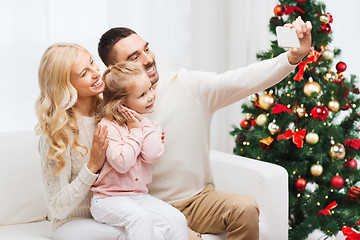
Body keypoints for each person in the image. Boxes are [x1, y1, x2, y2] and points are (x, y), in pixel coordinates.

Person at [97, 17, 312, 240]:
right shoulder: (106, 112)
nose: (148, 59)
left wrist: (292, 57)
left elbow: (242, 80)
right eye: (134, 57)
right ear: (116, 69)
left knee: (245, 208)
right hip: (148, 207)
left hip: (198, 200)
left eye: (147, 49)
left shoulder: (187, 86)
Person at [35, 43, 127, 240]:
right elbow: (58, 208)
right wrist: (92, 165)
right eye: (84, 73)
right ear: (65, 86)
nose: (96, 73)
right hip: (72, 224)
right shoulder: (57, 133)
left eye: (93, 63)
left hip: (111, 215)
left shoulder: (109, 114)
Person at [90, 62, 189, 240]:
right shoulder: (107, 126)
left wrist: (143, 126)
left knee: (177, 219)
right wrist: (135, 130)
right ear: (122, 104)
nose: (151, 96)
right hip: (107, 200)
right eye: (142, 95)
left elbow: (152, 154)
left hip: (139, 198)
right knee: (139, 218)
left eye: (150, 89)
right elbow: (122, 163)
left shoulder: (152, 126)